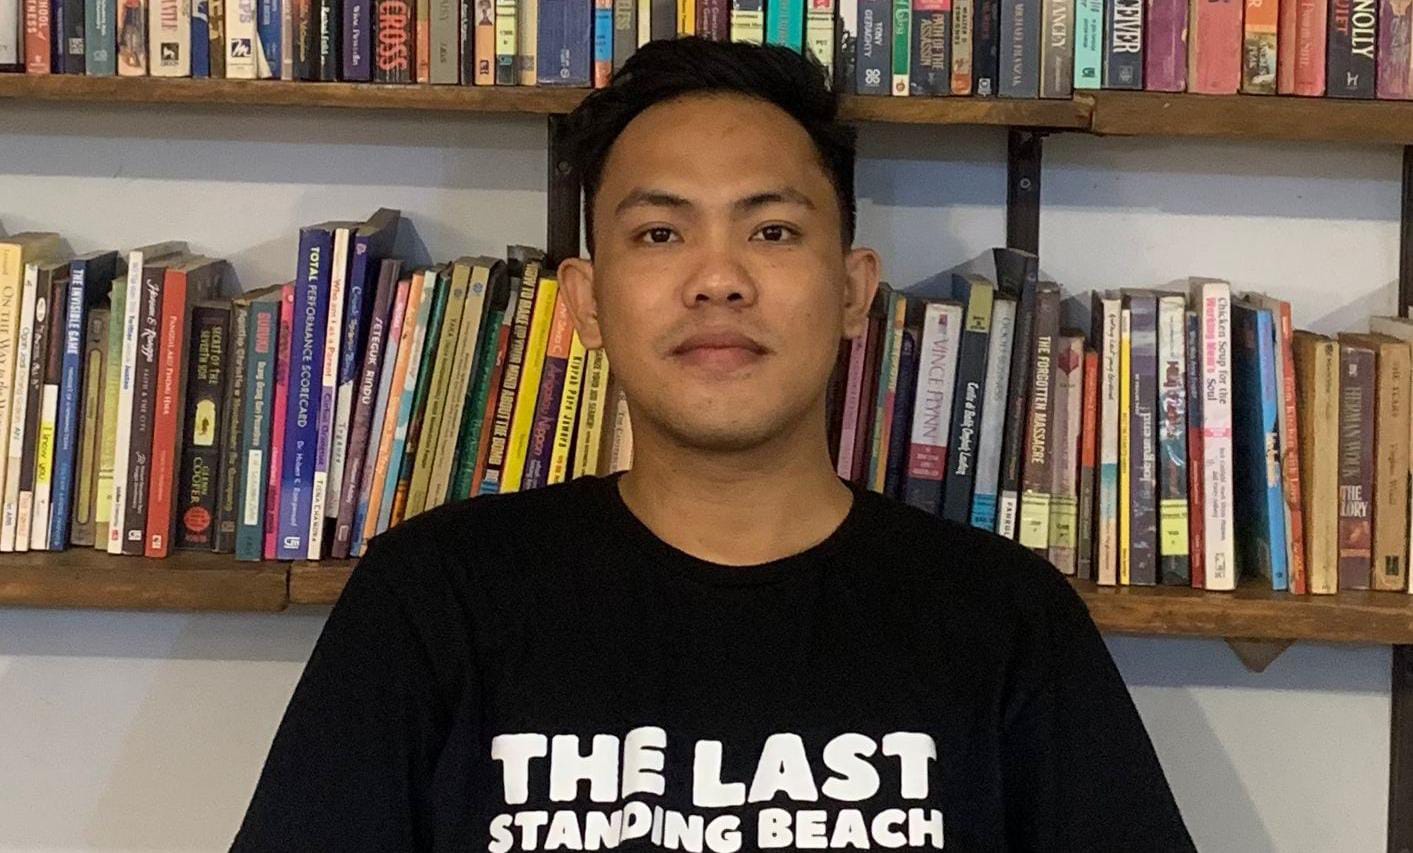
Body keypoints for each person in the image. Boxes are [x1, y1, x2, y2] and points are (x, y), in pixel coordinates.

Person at [231, 37, 1195, 851]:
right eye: (659, 234)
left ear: (853, 290)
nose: (718, 279)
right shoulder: (435, 596)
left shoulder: (1003, 615)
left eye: (771, 231)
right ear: (585, 302)